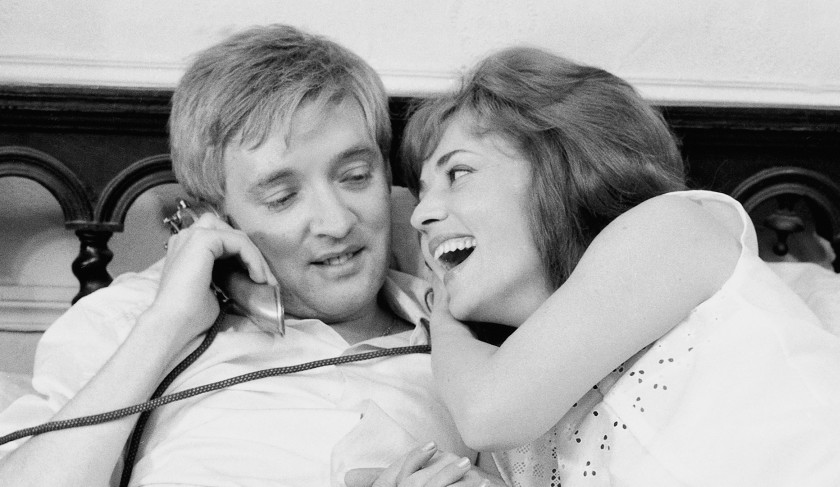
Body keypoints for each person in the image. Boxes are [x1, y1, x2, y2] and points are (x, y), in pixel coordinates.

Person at [0, 24, 493, 487]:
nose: (337, 222)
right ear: (214, 217)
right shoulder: (128, 320)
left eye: (356, 177)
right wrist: (166, 326)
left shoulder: (468, 330)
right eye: (282, 198)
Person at [382, 46, 840, 486]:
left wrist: (440, 310)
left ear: (563, 165)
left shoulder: (669, 229)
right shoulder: (521, 433)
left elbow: (487, 413)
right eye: (421, 193)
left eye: (458, 172)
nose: (420, 215)